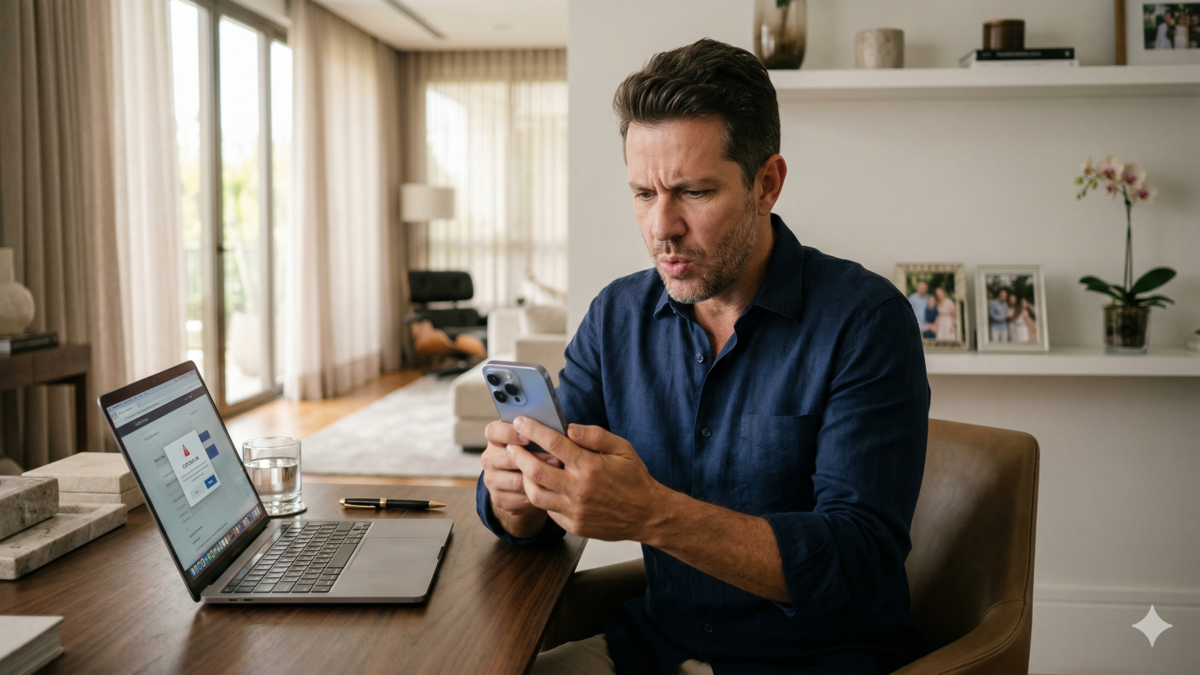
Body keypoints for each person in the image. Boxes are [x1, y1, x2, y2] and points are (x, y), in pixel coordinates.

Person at [476, 38, 928, 675]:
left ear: (766, 184)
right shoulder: (617, 316)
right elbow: (529, 503)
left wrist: (654, 514)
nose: (662, 227)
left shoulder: (867, 320)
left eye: (692, 192)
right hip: (654, 648)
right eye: (643, 194)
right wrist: (515, 499)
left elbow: (857, 562)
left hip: (813, 661)